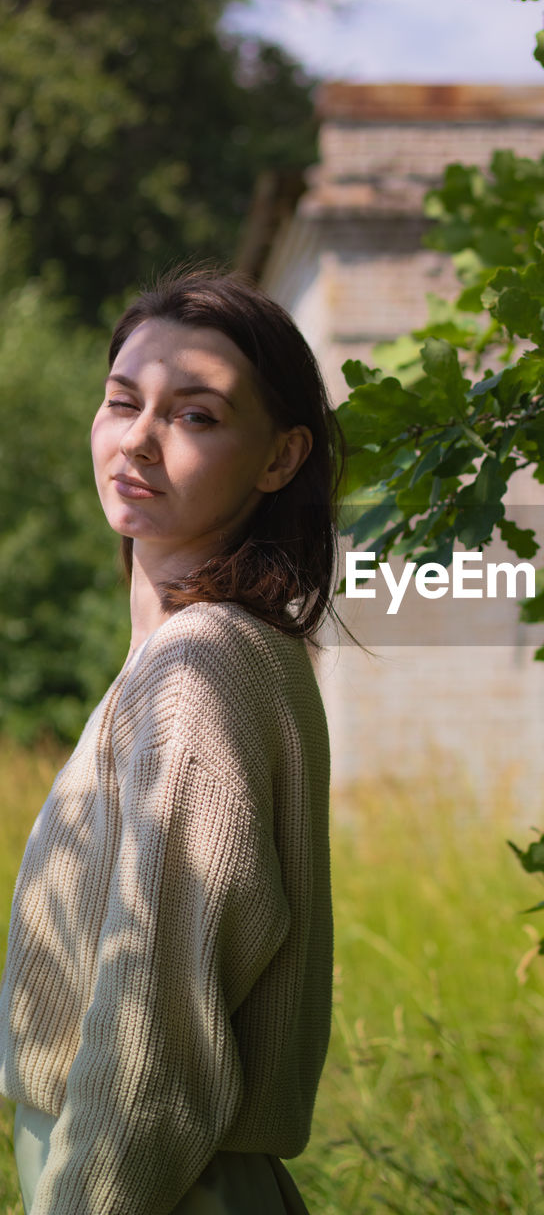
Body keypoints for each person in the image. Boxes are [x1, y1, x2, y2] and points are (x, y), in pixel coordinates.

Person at [0, 269, 343, 1214]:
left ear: (279, 459)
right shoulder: (187, 657)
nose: (139, 440)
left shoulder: (205, 666)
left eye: (195, 416)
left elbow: (156, 1045)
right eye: (123, 402)